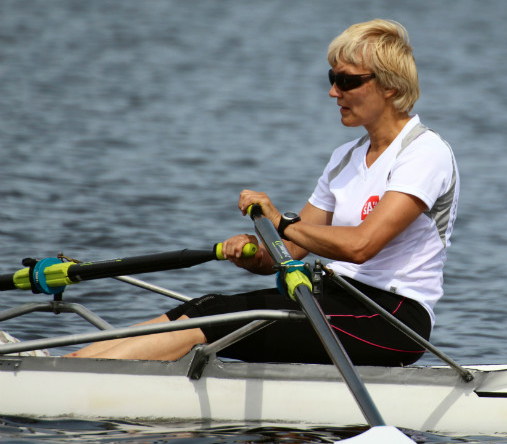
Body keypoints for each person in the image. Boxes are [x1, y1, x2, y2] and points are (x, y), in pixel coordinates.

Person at [66, 19, 459, 366]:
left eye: (346, 81)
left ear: (390, 86)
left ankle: (80, 375)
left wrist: (279, 222)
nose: (333, 92)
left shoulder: (424, 153)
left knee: (216, 318)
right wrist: (256, 252)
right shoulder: (345, 158)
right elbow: (291, 250)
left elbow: (361, 246)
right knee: (206, 307)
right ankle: (74, 361)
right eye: (332, 78)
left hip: (391, 319)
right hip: (334, 299)